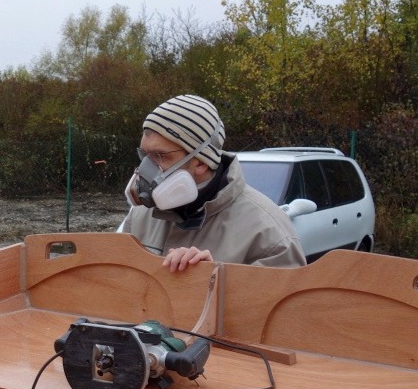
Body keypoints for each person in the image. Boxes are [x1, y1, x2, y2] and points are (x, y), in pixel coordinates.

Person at [120, 94, 306, 269]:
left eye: (159, 156)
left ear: (200, 162)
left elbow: (285, 303)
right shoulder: (142, 214)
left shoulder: (269, 234)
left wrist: (211, 281)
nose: (146, 167)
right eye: (144, 154)